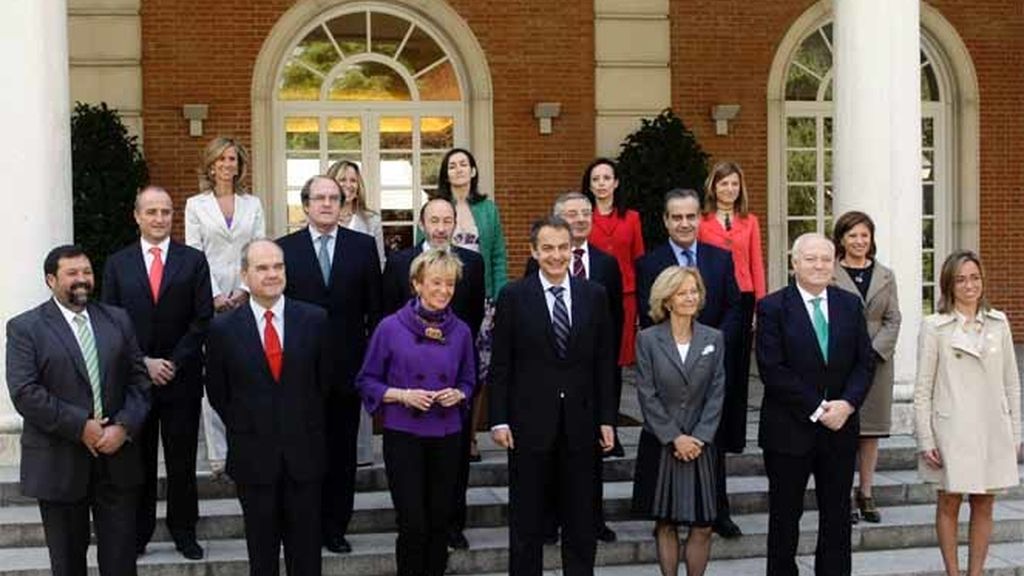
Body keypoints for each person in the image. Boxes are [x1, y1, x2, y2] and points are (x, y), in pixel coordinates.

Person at [6, 245, 150, 576]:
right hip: (59, 462)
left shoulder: (118, 319)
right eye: (72, 273)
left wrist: (124, 427)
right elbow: (25, 392)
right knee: (68, 565)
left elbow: (139, 381)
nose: (82, 279)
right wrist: (81, 426)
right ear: (51, 280)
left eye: (87, 272)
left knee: (121, 563)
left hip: (117, 461)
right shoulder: (26, 327)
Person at [490, 216, 616, 576]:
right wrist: (498, 419)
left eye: (563, 247)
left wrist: (607, 418)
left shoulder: (594, 295)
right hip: (529, 425)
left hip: (582, 424)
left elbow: (604, 363)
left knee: (581, 520)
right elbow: (501, 364)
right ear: (534, 251)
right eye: (547, 248)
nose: (556, 255)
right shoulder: (513, 296)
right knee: (526, 521)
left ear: (572, 249)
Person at [101, 186, 213, 559]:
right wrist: (143, 362)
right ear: (137, 216)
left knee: (182, 461)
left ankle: (184, 531)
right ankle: (138, 534)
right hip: (135, 383)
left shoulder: (193, 261)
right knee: (139, 462)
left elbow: (202, 319)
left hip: (181, 379)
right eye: (151, 211)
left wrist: (173, 362)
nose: (159, 218)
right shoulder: (117, 264)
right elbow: (110, 321)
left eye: (165, 211)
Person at [205, 239, 328, 576]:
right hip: (253, 458)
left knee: (307, 555)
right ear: (245, 275)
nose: (272, 274)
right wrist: (250, 423)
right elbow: (218, 391)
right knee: (262, 556)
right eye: (262, 268)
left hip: (305, 456)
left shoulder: (315, 320)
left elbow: (326, 384)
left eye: (278, 266)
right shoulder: (222, 329)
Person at [756, 233, 874, 576]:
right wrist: (820, 409)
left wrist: (847, 404)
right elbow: (772, 369)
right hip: (788, 431)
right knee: (785, 518)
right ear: (794, 263)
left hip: (840, 428)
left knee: (837, 517)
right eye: (810, 259)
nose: (819, 265)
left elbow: (865, 363)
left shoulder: (849, 305)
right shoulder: (772, 307)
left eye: (825, 259)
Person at [277, 174, 382, 554]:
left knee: (341, 453)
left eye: (333, 198)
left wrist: (370, 364)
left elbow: (376, 311)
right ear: (305, 205)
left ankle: (336, 526)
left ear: (343, 204)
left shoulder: (363, 247)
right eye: (318, 198)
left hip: (346, 370)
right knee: (303, 452)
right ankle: (304, 524)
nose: (326, 204)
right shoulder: (284, 249)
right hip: (298, 372)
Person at [357, 249, 477, 576]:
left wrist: (459, 393)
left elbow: (469, 380)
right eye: (436, 282)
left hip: (447, 435)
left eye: (449, 284)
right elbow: (367, 381)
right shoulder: (390, 327)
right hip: (404, 435)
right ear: (417, 284)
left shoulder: (462, 331)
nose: (444, 290)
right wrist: (403, 395)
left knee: (439, 521)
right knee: (412, 523)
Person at [635, 188, 743, 538]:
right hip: (668, 367)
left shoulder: (720, 259)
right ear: (666, 221)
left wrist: (712, 342)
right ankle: (666, 512)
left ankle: (717, 510)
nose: (684, 223)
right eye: (677, 217)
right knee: (671, 441)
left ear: (700, 219)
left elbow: (735, 307)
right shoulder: (649, 263)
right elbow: (648, 315)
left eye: (691, 216)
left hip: (709, 365)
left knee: (713, 439)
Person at [382, 197, 485, 550]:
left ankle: (452, 524)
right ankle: (414, 529)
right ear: (422, 224)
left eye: (447, 221)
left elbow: (473, 315)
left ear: (455, 223)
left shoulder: (472, 263)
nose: (441, 228)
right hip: (408, 383)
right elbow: (387, 314)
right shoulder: (399, 262)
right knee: (411, 480)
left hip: (453, 375)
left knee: (454, 463)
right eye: (434, 221)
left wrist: (460, 375)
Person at [915, 250, 1021, 576]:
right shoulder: (934, 327)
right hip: (951, 430)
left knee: (984, 502)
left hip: (992, 428)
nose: (969, 285)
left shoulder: (998, 323)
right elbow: (922, 389)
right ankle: (953, 573)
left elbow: (1012, 383)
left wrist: (1016, 434)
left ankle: (976, 573)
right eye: (960, 279)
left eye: (974, 277)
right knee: (949, 501)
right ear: (948, 284)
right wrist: (926, 438)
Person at [525, 191, 623, 544]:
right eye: (572, 213)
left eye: (585, 213)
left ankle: (592, 521)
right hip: (544, 396)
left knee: (587, 470)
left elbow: (610, 332)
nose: (580, 219)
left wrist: (607, 408)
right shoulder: (534, 273)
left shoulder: (604, 269)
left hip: (586, 393)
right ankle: (549, 521)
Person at [632, 266, 725, 576]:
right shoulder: (647, 339)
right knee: (665, 522)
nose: (690, 297)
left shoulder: (714, 338)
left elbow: (717, 391)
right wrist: (675, 437)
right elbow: (646, 393)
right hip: (662, 443)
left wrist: (699, 437)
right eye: (682, 292)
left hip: (702, 444)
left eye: (694, 291)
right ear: (667, 300)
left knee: (703, 524)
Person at [184, 136, 266, 479]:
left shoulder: (253, 204)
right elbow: (194, 252)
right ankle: (219, 455)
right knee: (214, 375)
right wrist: (214, 295)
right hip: (211, 300)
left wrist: (246, 290)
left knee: (249, 371)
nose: (227, 164)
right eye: (221, 159)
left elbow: (259, 247)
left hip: (248, 297)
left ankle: (249, 445)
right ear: (211, 164)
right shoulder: (195, 205)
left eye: (232, 159)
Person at [430, 148, 509, 462]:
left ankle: (470, 435)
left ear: (474, 171)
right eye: (452, 165)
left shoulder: (488, 209)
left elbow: (498, 255)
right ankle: (440, 428)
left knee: (475, 369)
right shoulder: (436, 206)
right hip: (440, 299)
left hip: (481, 299)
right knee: (440, 364)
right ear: (446, 173)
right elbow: (425, 251)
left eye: (464, 164)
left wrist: (499, 296)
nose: (459, 169)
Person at [831, 211, 902, 524]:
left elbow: (893, 318)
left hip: (876, 363)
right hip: (841, 361)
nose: (859, 241)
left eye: (864, 235)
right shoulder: (830, 272)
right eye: (852, 235)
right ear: (841, 239)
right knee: (844, 430)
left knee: (870, 431)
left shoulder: (886, 275)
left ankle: (866, 492)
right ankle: (843, 494)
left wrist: (871, 353)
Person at [697, 161, 765, 457]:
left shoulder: (750, 221)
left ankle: (734, 436)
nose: (729, 189)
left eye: (734, 183)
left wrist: (759, 307)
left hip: (743, 297)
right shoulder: (701, 222)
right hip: (711, 299)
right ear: (713, 187)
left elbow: (756, 263)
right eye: (723, 183)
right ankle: (711, 431)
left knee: (737, 368)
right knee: (712, 365)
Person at [326, 160, 384, 467]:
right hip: (329, 313)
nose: (348, 184)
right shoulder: (324, 215)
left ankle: (362, 452)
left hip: (358, 311)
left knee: (360, 382)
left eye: (353, 179)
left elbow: (379, 264)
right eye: (342, 179)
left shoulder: (370, 220)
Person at [582, 158, 644, 380]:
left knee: (618, 354)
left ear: (616, 183)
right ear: (589, 186)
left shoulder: (632, 218)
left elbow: (639, 258)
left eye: (606, 178)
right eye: (596, 179)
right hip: (590, 291)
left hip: (626, 294)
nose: (601, 183)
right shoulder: (583, 217)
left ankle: (612, 400)